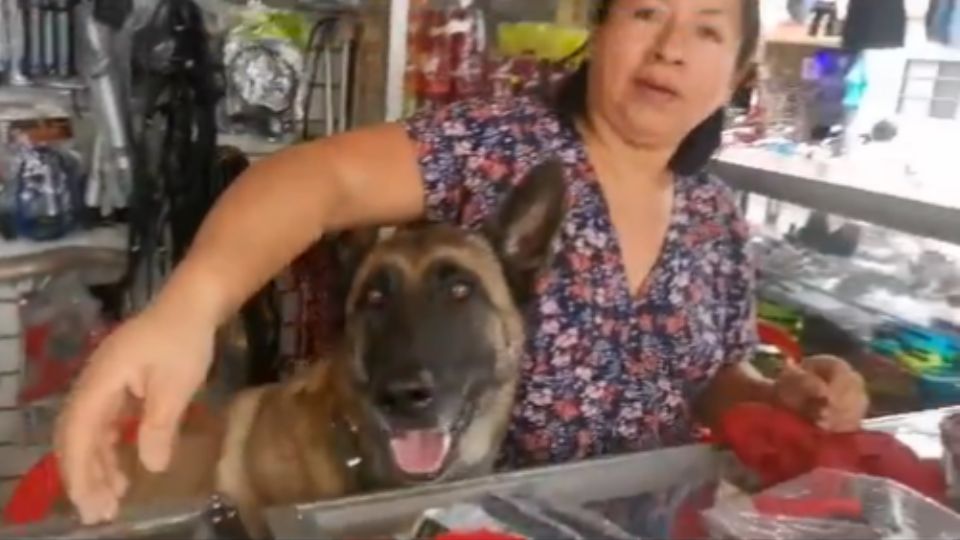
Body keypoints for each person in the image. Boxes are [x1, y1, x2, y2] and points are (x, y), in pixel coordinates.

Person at [56, 0, 869, 524]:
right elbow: (314, 180)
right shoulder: (498, 146)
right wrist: (189, 306)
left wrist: (776, 393)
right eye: (646, 13)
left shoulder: (715, 218)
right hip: (478, 521)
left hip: (641, 520)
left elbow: (710, 374)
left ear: (739, 73)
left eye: (706, 29)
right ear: (599, 26)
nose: (668, 49)